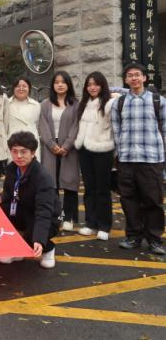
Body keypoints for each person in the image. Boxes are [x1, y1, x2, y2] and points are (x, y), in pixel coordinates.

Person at [111, 63, 165, 255]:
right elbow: (116, 131)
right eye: (130, 75)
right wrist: (118, 157)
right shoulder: (119, 103)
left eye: (137, 75)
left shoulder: (158, 101)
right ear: (126, 80)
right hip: (126, 160)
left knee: (153, 201)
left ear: (144, 78)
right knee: (129, 200)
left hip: (151, 159)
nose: (134, 78)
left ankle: (155, 239)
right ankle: (133, 236)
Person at [0, 131, 61, 269]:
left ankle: (48, 248)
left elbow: (44, 211)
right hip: (23, 209)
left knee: (34, 236)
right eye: (14, 151)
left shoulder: (42, 177)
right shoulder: (12, 169)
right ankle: (17, 250)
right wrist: (2, 197)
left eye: (23, 152)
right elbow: (9, 191)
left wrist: (39, 240)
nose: (19, 156)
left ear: (33, 153)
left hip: (46, 217)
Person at [75, 71, 115, 241]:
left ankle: (104, 226)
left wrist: (115, 94)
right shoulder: (84, 104)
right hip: (84, 150)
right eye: (89, 84)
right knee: (89, 188)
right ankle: (91, 223)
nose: (92, 87)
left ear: (102, 85)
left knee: (102, 189)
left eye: (96, 84)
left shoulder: (109, 103)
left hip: (103, 150)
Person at [39, 71, 80, 232]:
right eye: (57, 82)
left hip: (69, 148)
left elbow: (76, 126)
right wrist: (51, 144)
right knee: (51, 183)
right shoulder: (45, 104)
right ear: (53, 85)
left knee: (70, 182)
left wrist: (67, 145)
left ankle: (68, 217)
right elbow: (42, 125)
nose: (60, 85)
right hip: (50, 147)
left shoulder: (75, 104)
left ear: (68, 84)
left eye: (63, 82)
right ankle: (55, 216)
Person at [8, 75, 41, 158]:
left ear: (29, 88)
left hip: (31, 142)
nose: (21, 89)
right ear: (13, 88)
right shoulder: (6, 104)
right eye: (18, 86)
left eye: (24, 86)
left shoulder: (36, 105)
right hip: (12, 142)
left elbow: (38, 125)